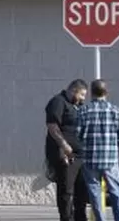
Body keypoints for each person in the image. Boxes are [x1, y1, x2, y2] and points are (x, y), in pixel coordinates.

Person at [76, 79, 119, 221]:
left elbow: (78, 135)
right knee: (116, 191)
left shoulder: (83, 111)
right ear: (107, 92)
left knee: (95, 193)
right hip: (111, 159)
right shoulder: (116, 111)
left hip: (90, 158)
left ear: (91, 93)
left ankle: (100, 219)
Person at [45, 79, 90, 221]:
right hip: (66, 155)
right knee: (67, 191)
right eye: (82, 95)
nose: (83, 99)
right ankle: (66, 218)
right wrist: (64, 146)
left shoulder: (78, 106)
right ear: (73, 90)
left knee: (81, 192)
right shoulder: (58, 102)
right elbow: (53, 127)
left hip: (81, 156)